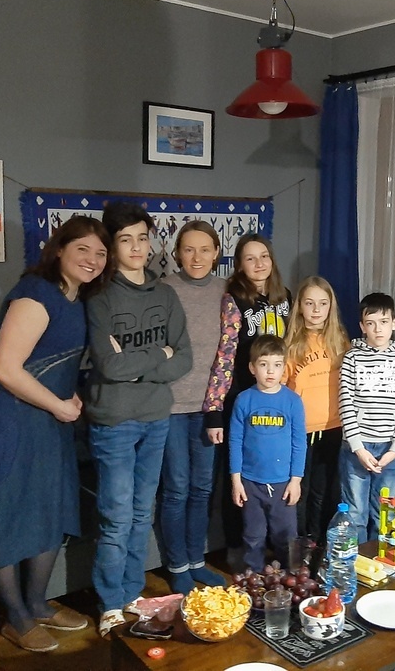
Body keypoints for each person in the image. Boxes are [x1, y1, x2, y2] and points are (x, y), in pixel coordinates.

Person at [0, 216, 111, 653]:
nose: (92, 260)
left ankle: (38, 604)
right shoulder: (36, 293)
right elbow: (6, 369)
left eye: (100, 253)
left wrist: (67, 396)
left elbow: (53, 362)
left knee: (49, 508)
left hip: (43, 418)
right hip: (2, 419)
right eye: (83, 249)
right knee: (2, 514)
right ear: (59, 250)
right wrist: (59, 405)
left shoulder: (78, 298)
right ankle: (16, 616)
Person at [84, 202, 192, 638]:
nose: (136, 248)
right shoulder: (99, 297)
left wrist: (137, 365)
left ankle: (131, 592)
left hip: (155, 416)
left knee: (142, 512)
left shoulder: (165, 295)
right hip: (113, 419)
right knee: (116, 515)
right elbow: (109, 366)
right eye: (125, 239)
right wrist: (157, 354)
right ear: (112, 246)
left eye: (142, 238)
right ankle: (110, 602)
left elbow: (183, 357)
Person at [203, 234, 292, 563]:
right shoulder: (234, 299)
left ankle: (278, 548)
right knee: (241, 473)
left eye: (264, 256)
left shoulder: (285, 297)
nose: (259, 264)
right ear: (239, 265)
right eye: (250, 258)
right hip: (243, 399)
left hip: (278, 398)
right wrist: (215, 409)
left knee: (277, 469)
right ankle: (237, 549)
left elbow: (292, 348)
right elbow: (225, 356)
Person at [159, 221, 229, 593]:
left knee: (202, 488)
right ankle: (177, 566)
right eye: (189, 249)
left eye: (204, 250)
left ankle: (196, 561)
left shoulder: (225, 291)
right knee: (176, 489)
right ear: (177, 254)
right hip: (170, 406)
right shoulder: (163, 289)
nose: (197, 257)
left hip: (209, 407)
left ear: (216, 253)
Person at [338, 293, 395, 541]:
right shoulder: (352, 358)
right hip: (357, 449)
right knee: (355, 512)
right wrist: (358, 448)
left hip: (388, 449)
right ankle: (358, 560)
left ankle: (378, 559)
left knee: (385, 515)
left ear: (394, 323)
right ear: (362, 326)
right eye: (370, 323)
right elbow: (346, 404)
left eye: (383, 322)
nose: (377, 329)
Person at [229, 335, 307, 573]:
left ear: (284, 367)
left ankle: (291, 579)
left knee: (286, 537)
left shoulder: (292, 401)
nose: (270, 371)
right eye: (264, 364)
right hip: (251, 483)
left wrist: (296, 480)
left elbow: (299, 443)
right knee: (253, 536)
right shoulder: (244, 400)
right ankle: (252, 579)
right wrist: (236, 481)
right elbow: (235, 441)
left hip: (283, 483)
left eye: (277, 365)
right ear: (252, 368)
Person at [284, 276, 351, 549]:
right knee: (301, 490)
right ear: (300, 306)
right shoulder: (291, 344)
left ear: (330, 307)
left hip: (334, 425)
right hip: (302, 429)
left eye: (322, 303)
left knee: (325, 490)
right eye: (309, 303)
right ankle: (300, 546)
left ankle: (321, 544)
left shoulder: (340, 340)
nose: (316, 309)